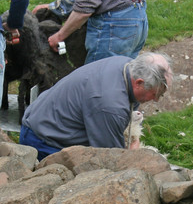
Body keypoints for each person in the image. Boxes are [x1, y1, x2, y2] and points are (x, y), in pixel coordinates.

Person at [19, 52, 172, 159]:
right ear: (139, 83)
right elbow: (111, 159)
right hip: (43, 141)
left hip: (42, 117)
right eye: (156, 94)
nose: (156, 100)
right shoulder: (110, 106)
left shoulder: (127, 65)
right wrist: (133, 151)